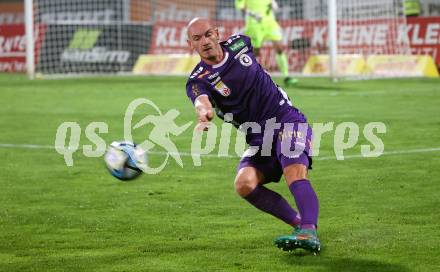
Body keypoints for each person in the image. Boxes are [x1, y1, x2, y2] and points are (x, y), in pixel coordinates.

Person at [185, 18, 320, 253]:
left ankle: (309, 230)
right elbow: (201, 101)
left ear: (217, 33)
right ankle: (299, 225)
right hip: (258, 137)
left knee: (293, 168)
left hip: (286, 118)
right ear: (191, 44)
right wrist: (204, 114)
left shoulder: (241, 43)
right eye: (197, 38)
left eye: (208, 34)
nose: (205, 41)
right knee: (244, 184)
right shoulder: (198, 79)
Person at [235, 0, 298, 87]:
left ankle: (286, 76)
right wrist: (252, 14)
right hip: (254, 25)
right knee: (255, 53)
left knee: (279, 48)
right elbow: (241, 7)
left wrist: (273, 3)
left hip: (270, 23)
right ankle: (245, 75)